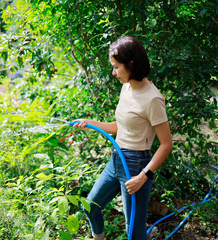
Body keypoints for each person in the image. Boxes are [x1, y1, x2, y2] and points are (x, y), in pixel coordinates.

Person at [72, 36, 172, 240]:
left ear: (131, 64)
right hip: (116, 160)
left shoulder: (153, 99)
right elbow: (120, 127)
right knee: (90, 207)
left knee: (134, 233)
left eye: (116, 67)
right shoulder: (126, 87)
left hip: (136, 166)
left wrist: (143, 176)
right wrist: (89, 123)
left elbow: (166, 144)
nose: (113, 72)